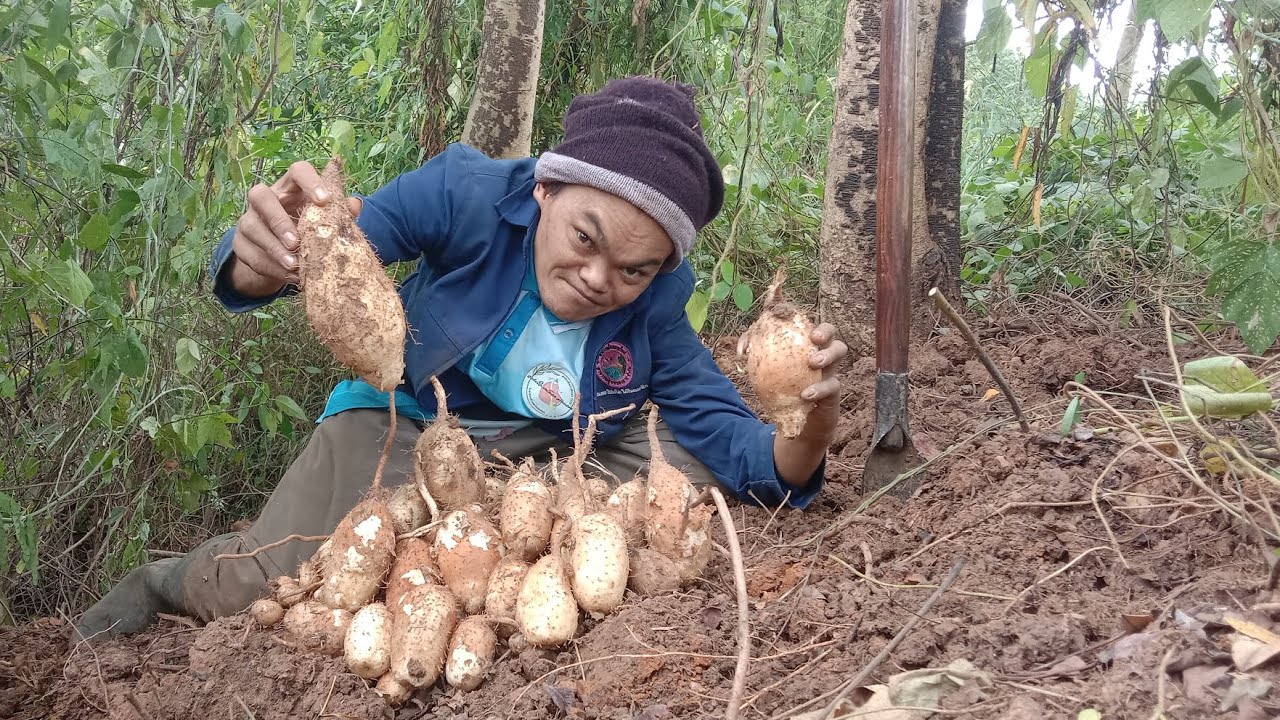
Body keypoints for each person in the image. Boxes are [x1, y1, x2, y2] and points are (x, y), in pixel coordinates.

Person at [73, 76, 848, 642]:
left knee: (695, 477)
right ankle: (165, 577)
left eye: (634, 270)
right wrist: (267, 258)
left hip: (555, 453)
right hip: (406, 422)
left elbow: (745, 449)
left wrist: (807, 421)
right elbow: (336, 251)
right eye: (586, 240)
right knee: (256, 585)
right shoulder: (464, 194)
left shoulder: (657, 303)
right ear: (546, 189)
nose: (599, 280)